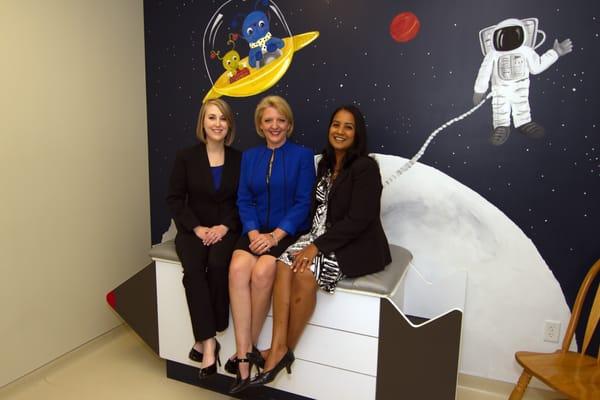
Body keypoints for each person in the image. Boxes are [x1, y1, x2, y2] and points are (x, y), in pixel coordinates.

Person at [249, 105, 392, 387]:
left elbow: (359, 220)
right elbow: (317, 211)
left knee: (303, 273)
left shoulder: (365, 168)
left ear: (357, 133)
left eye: (348, 126)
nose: (340, 131)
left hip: (353, 244)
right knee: (281, 264)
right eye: (336, 124)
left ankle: (280, 351)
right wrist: (299, 238)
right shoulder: (325, 164)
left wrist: (316, 248)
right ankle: (277, 348)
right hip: (318, 236)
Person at [227, 95, 315, 393]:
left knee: (264, 270)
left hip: (285, 232)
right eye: (268, 121)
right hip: (255, 230)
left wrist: (275, 236)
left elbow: (304, 203)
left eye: (280, 120)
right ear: (259, 125)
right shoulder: (250, 157)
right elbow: (244, 199)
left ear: (289, 125)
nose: (274, 126)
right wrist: (252, 233)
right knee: (238, 267)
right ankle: (243, 355)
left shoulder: (302, 156)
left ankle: (248, 349)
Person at [166, 99, 241, 379]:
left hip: (225, 230)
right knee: (194, 271)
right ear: (203, 123)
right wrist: (197, 228)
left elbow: (242, 201)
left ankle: (206, 338)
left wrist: (224, 227)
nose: (218, 123)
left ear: (229, 124)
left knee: (219, 266)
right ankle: (209, 343)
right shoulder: (185, 157)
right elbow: (174, 199)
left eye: (223, 118)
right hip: (192, 231)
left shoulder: (239, 159)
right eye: (212, 118)